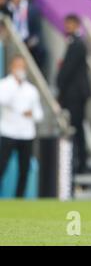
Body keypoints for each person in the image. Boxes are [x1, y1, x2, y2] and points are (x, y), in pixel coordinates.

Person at [0, 55, 43, 197]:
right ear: (11, 67)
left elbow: (39, 114)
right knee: (2, 166)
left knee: (24, 169)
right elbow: (3, 100)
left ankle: (20, 197)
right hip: (8, 132)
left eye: (22, 66)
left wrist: (31, 114)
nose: (20, 69)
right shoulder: (5, 85)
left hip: (26, 134)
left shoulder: (31, 90)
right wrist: (15, 86)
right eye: (18, 66)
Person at [57, 14, 91, 174]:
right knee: (76, 128)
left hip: (75, 95)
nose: (67, 27)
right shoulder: (75, 42)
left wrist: (58, 83)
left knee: (76, 129)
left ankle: (80, 164)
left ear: (77, 24)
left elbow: (68, 69)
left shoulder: (77, 44)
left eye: (69, 24)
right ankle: (78, 162)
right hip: (76, 94)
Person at [6, 0, 45, 73]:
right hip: (10, 42)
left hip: (28, 45)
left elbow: (37, 34)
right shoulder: (9, 7)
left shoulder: (33, 10)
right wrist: (13, 6)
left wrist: (28, 45)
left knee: (41, 51)